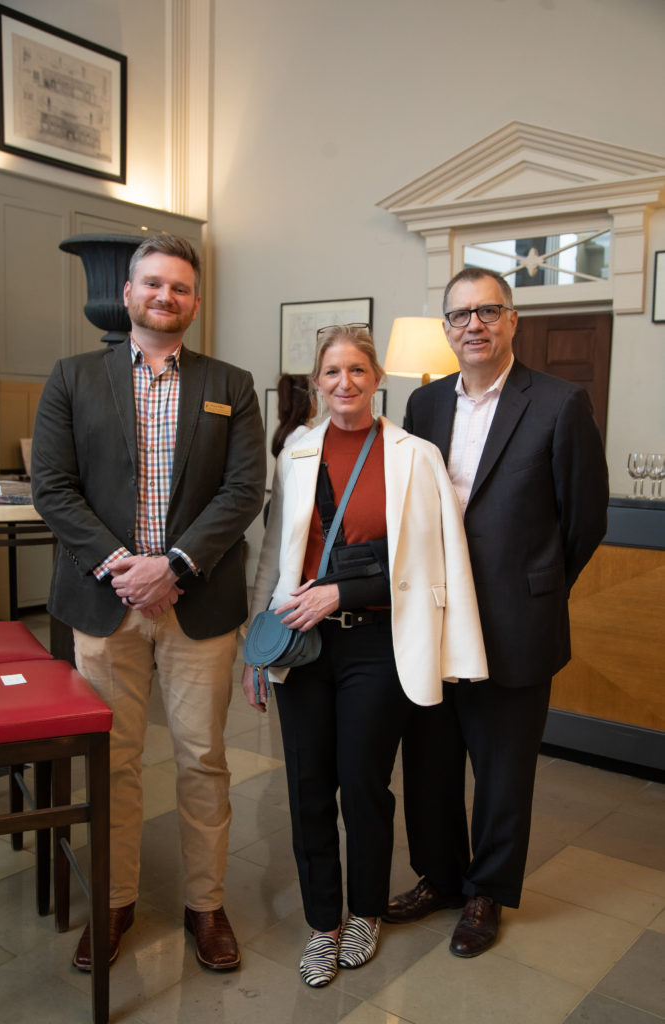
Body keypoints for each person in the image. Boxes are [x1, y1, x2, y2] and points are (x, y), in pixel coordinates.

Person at [31, 234, 265, 974]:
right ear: (128, 294)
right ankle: (113, 901)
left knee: (203, 759)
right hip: (105, 605)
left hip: (198, 603)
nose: (166, 297)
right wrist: (120, 567)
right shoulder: (72, 378)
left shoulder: (232, 382)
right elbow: (53, 486)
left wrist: (177, 565)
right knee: (115, 762)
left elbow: (242, 491)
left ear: (195, 303)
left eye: (181, 288)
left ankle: (206, 904)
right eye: (153, 284)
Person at [241, 323, 487, 987]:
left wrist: (339, 591)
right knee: (306, 787)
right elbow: (274, 554)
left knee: (364, 787)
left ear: (377, 378)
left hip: (377, 644)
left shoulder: (414, 455)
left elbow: (428, 565)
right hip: (300, 641)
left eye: (356, 371)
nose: (343, 384)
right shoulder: (295, 450)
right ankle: (323, 922)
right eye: (331, 373)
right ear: (315, 383)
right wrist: (254, 647)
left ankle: (366, 912)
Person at [385, 268, 609, 958]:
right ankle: (439, 879)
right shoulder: (422, 406)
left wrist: (535, 583)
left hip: (515, 620)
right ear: (446, 328)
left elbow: (584, 518)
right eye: (459, 315)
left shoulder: (558, 402)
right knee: (427, 761)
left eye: (487, 311)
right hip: (434, 620)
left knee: (503, 768)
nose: (472, 325)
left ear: (512, 321)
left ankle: (486, 892)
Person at [263, 374, 316, 526]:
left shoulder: (286, 431)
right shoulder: (303, 434)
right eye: (314, 395)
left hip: (277, 505)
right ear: (306, 400)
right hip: (289, 509)